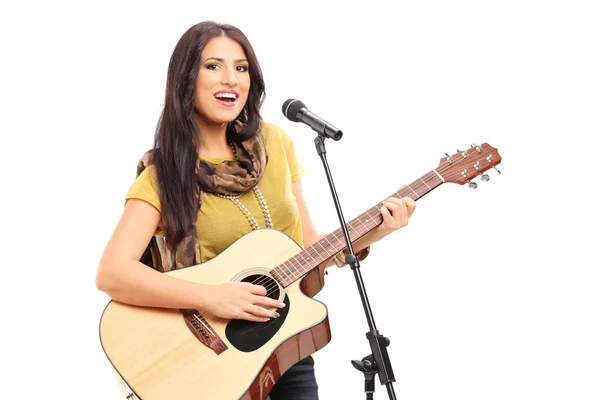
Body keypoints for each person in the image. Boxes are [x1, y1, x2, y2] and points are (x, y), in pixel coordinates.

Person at [95, 20, 416, 400]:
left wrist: (377, 230)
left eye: (241, 67)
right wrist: (213, 297)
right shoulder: (163, 174)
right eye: (213, 66)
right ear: (186, 80)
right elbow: (112, 273)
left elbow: (307, 245)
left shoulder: (275, 144)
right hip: (212, 365)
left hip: (284, 345)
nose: (230, 79)